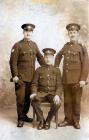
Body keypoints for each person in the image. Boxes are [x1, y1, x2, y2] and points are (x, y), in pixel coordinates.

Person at [10, 23, 45, 127]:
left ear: (32, 33)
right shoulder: (17, 45)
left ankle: (24, 115)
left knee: (27, 99)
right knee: (20, 99)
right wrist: (15, 75)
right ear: (23, 32)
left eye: (30, 32)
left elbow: (40, 57)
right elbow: (12, 62)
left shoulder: (34, 45)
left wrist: (47, 67)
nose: (28, 33)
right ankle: (20, 119)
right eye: (26, 31)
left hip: (31, 78)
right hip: (20, 78)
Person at [55, 23, 89, 129]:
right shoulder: (65, 46)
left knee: (76, 101)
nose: (72, 34)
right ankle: (67, 119)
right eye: (70, 32)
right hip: (66, 79)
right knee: (67, 101)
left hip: (77, 81)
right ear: (68, 34)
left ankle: (76, 121)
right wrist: (56, 67)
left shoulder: (81, 47)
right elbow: (58, 55)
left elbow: (86, 65)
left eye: (74, 32)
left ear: (77, 34)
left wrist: (83, 79)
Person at [30, 48, 63, 130]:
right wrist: (34, 93)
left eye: (50, 57)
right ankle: (41, 120)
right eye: (46, 57)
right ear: (44, 58)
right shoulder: (38, 70)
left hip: (52, 94)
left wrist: (57, 95)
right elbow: (34, 84)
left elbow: (59, 85)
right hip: (42, 93)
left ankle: (48, 120)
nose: (48, 59)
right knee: (34, 101)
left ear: (53, 58)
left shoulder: (57, 70)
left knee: (57, 103)